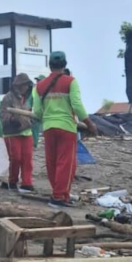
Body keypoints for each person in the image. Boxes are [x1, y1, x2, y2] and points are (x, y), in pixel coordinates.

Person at [33, 51, 98, 207]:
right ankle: (58, 197)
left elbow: (37, 111)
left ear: (50, 65)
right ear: (65, 65)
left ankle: (62, 194)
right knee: (66, 163)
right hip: (67, 127)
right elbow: (77, 106)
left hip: (48, 128)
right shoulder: (71, 82)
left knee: (52, 162)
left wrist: (48, 117)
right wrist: (90, 124)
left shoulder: (39, 86)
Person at [0, 72, 35, 192]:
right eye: (24, 85)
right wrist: (11, 120)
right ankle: (12, 181)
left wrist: (31, 121)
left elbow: (32, 113)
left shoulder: (30, 98)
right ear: (18, 86)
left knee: (27, 159)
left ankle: (27, 183)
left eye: (27, 85)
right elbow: (3, 114)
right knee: (15, 158)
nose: (26, 87)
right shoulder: (7, 98)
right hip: (12, 133)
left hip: (27, 131)